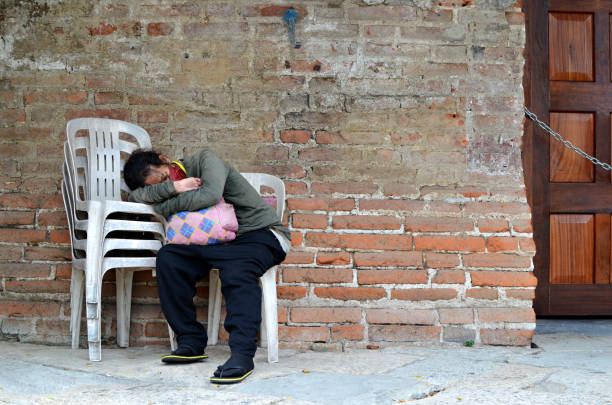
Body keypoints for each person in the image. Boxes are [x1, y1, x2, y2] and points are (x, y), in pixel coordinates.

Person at [123, 149, 290, 384]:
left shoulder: (204, 160)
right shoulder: (175, 185)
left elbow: (209, 195)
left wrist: (160, 205)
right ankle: (190, 341)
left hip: (259, 234)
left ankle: (242, 355)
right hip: (216, 240)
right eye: (157, 188)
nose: (166, 183)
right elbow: (134, 199)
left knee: (237, 270)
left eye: (164, 178)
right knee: (169, 258)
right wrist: (176, 188)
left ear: (164, 160)